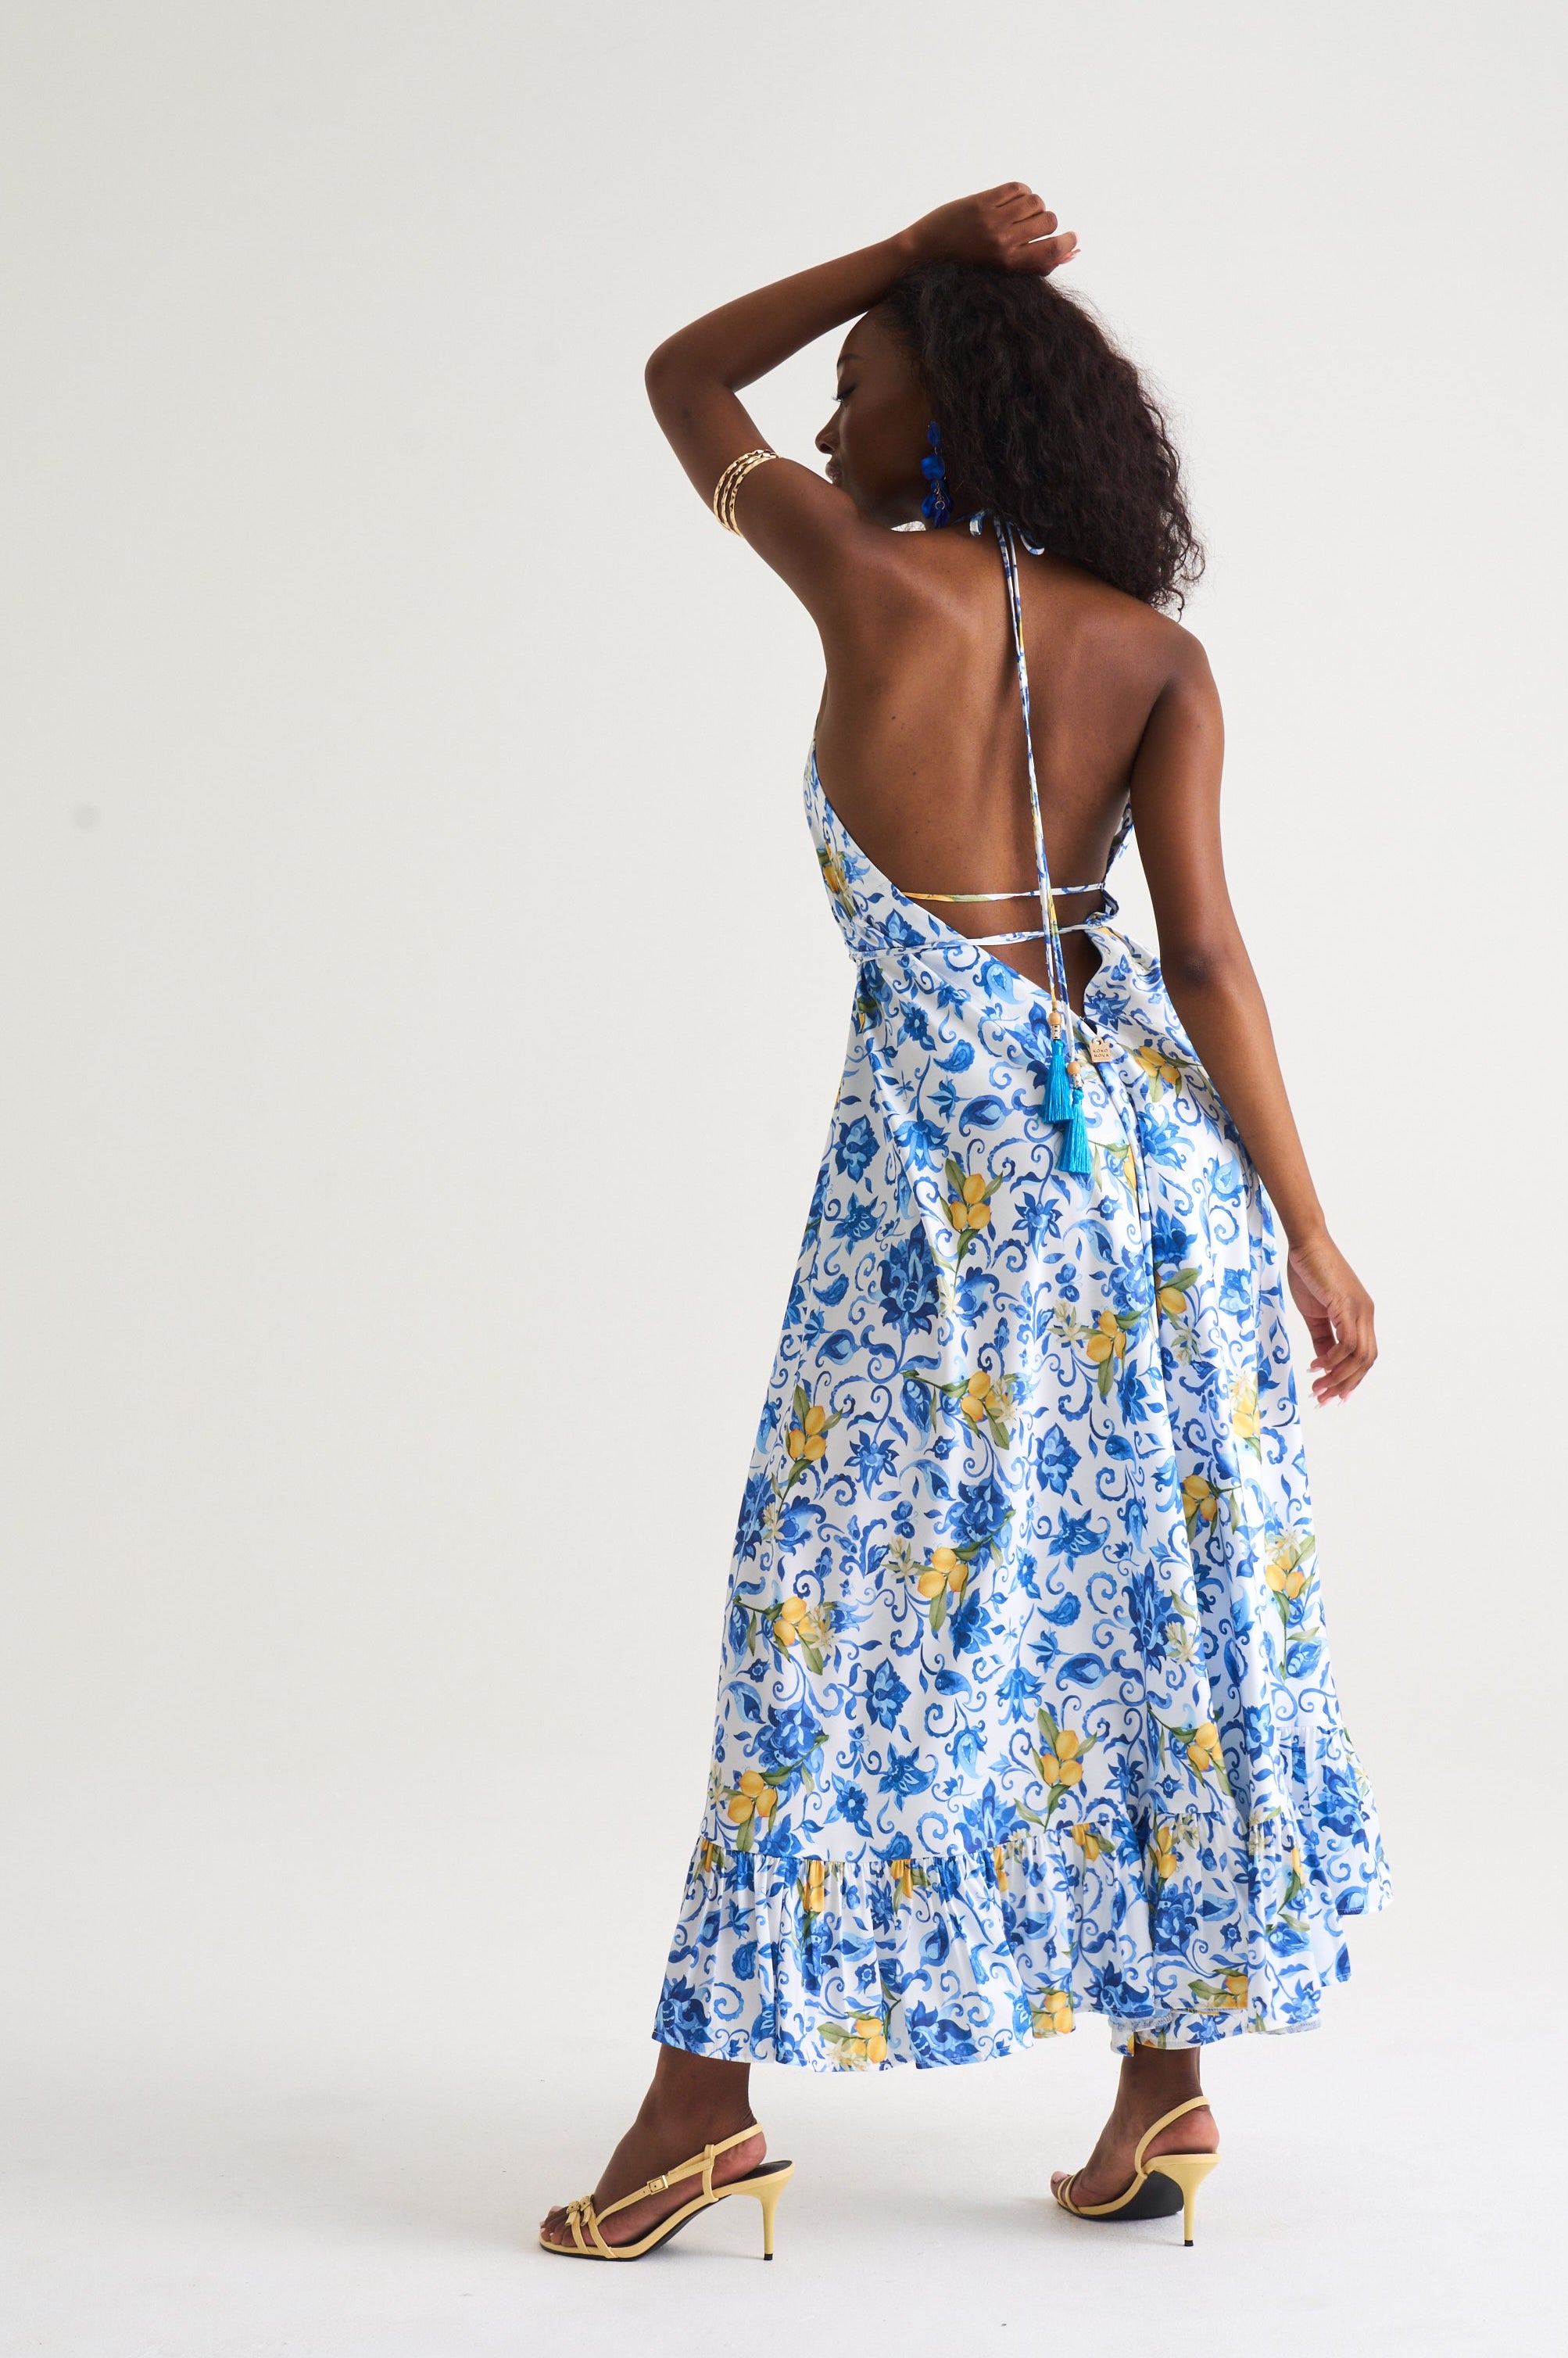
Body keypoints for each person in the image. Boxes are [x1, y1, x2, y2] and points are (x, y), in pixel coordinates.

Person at [540, 183, 1389, 2263]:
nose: (823, 437)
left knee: (820, 1623)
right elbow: (1205, 964)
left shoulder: (863, 584)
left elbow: (677, 375)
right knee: (1147, 1630)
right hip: (1160, 1198)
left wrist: (903, 246)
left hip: (952, 1209)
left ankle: (694, 2115)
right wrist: (1309, 1230)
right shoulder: (1157, 652)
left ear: (942, 432)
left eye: (864, 396)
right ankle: (1166, 2091)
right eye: (831, 402)